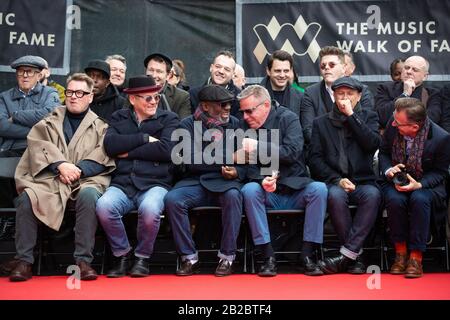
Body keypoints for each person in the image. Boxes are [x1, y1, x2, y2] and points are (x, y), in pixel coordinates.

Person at [8, 73, 115, 282]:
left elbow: (103, 155)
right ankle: (24, 261)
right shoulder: (48, 121)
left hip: (85, 179)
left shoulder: (101, 126)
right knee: (27, 197)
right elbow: (37, 146)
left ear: (90, 96)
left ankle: (83, 261)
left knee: (89, 196)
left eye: (79, 93)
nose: (73, 96)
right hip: (51, 179)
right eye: (69, 92)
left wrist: (78, 170)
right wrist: (60, 165)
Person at [238, 85, 328, 277]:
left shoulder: (289, 119)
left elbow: (292, 153)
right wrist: (263, 180)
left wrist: (258, 146)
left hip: (295, 190)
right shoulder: (244, 126)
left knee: (319, 189)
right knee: (249, 190)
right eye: (243, 111)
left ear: (266, 105)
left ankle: (307, 255)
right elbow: (245, 166)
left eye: (249, 111)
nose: (245, 116)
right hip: (266, 192)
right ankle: (267, 256)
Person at [96, 75, 179, 278]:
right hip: (123, 182)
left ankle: (142, 257)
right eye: (148, 98)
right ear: (133, 99)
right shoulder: (118, 117)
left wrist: (128, 151)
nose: (153, 102)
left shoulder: (169, 119)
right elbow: (111, 146)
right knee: (104, 207)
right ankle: (123, 254)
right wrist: (143, 138)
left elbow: (168, 150)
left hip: (155, 183)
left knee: (150, 209)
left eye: (156, 97)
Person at [165, 84, 244, 277]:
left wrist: (237, 171)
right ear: (206, 106)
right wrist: (229, 158)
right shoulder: (187, 125)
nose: (227, 107)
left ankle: (227, 257)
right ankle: (189, 258)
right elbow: (191, 160)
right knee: (172, 200)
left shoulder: (235, 123)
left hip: (226, 183)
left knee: (234, 196)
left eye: (229, 103)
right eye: (221, 104)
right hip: (195, 182)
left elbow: (246, 158)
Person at [308, 77, 382, 274]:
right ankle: (356, 257)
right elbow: (314, 159)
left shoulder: (369, 117)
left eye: (350, 94)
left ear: (358, 97)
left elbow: (372, 143)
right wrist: (336, 179)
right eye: (341, 93)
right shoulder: (320, 123)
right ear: (333, 95)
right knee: (335, 195)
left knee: (373, 195)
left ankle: (347, 255)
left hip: (363, 181)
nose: (345, 98)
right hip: (335, 180)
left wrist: (351, 116)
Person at [380, 97, 450, 278]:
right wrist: (389, 169)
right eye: (394, 120)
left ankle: (416, 258)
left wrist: (420, 184)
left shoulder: (441, 138)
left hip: (426, 183)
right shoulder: (393, 123)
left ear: (414, 127)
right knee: (395, 200)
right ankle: (400, 253)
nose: (394, 124)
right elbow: (384, 152)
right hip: (396, 181)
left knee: (420, 198)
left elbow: (441, 172)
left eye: (399, 123)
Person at [0, 55, 60, 208]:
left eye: (30, 72)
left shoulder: (50, 93)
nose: (25, 75)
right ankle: (8, 218)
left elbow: (49, 116)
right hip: (12, 149)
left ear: (39, 75)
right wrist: (37, 128)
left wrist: (15, 115)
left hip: (41, 150)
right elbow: (2, 127)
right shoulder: (4, 97)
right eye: (21, 72)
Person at [300, 46, 374, 144]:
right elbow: (308, 131)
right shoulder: (310, 93)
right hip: (323, 154)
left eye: (332, 64)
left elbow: (366, 127)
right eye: (323, 65)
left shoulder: (362, 91)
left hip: (355, 152)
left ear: (344, 68)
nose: (326, 68)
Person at [375, 55, 447, 132]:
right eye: (406, 68)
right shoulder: (385, 88)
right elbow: (381, 117)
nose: (409, 72)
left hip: (421, 141)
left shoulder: (432, 94)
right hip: (392, 141)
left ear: (425, 76)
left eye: (415, 70)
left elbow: (431, 120)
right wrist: (405, 94)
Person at [189, 50, 241, 117]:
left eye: (227, 69)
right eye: (218, 66)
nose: (221, 71)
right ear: (211, 68)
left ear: (233, 74)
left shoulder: (239, 98)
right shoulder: (193, 95)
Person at [144, 53, 191, 119]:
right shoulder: (135, 92)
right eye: (151, 70)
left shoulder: (181, 97)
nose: (154, 75)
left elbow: (183, 126)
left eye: (159, 71)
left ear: (168, 75)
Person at [260, 50, 304, 117]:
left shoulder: (301, 97)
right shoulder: (255, 96)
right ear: (268, 71)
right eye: (278, 71)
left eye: (286, 71)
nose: (282, 75)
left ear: (291, 71)